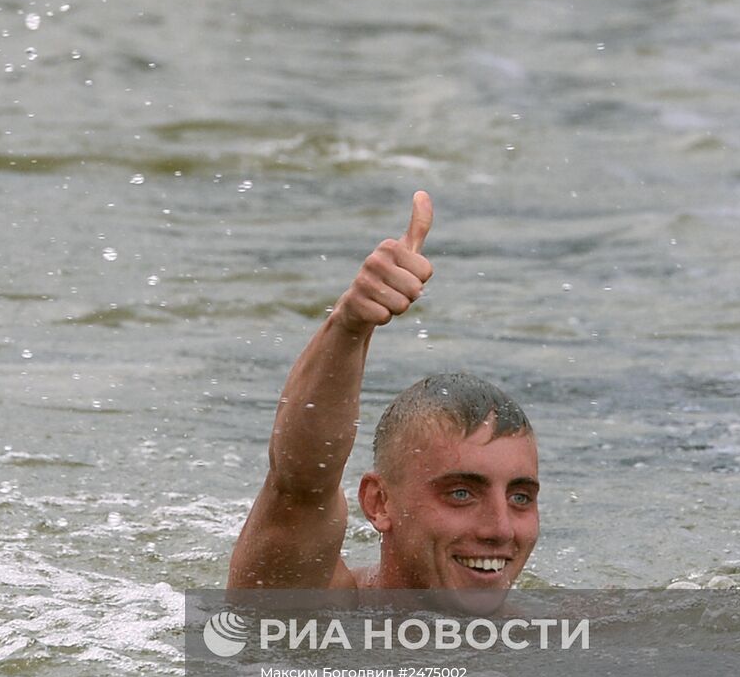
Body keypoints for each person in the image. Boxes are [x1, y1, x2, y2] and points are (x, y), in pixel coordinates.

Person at [228, 192, 540, 592]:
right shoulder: (314, 619)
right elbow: (300, 486)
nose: (500, 529)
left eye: (520, 498)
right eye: (461, 493)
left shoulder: (557, 636)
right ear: (379, 503)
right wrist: (350, 324)